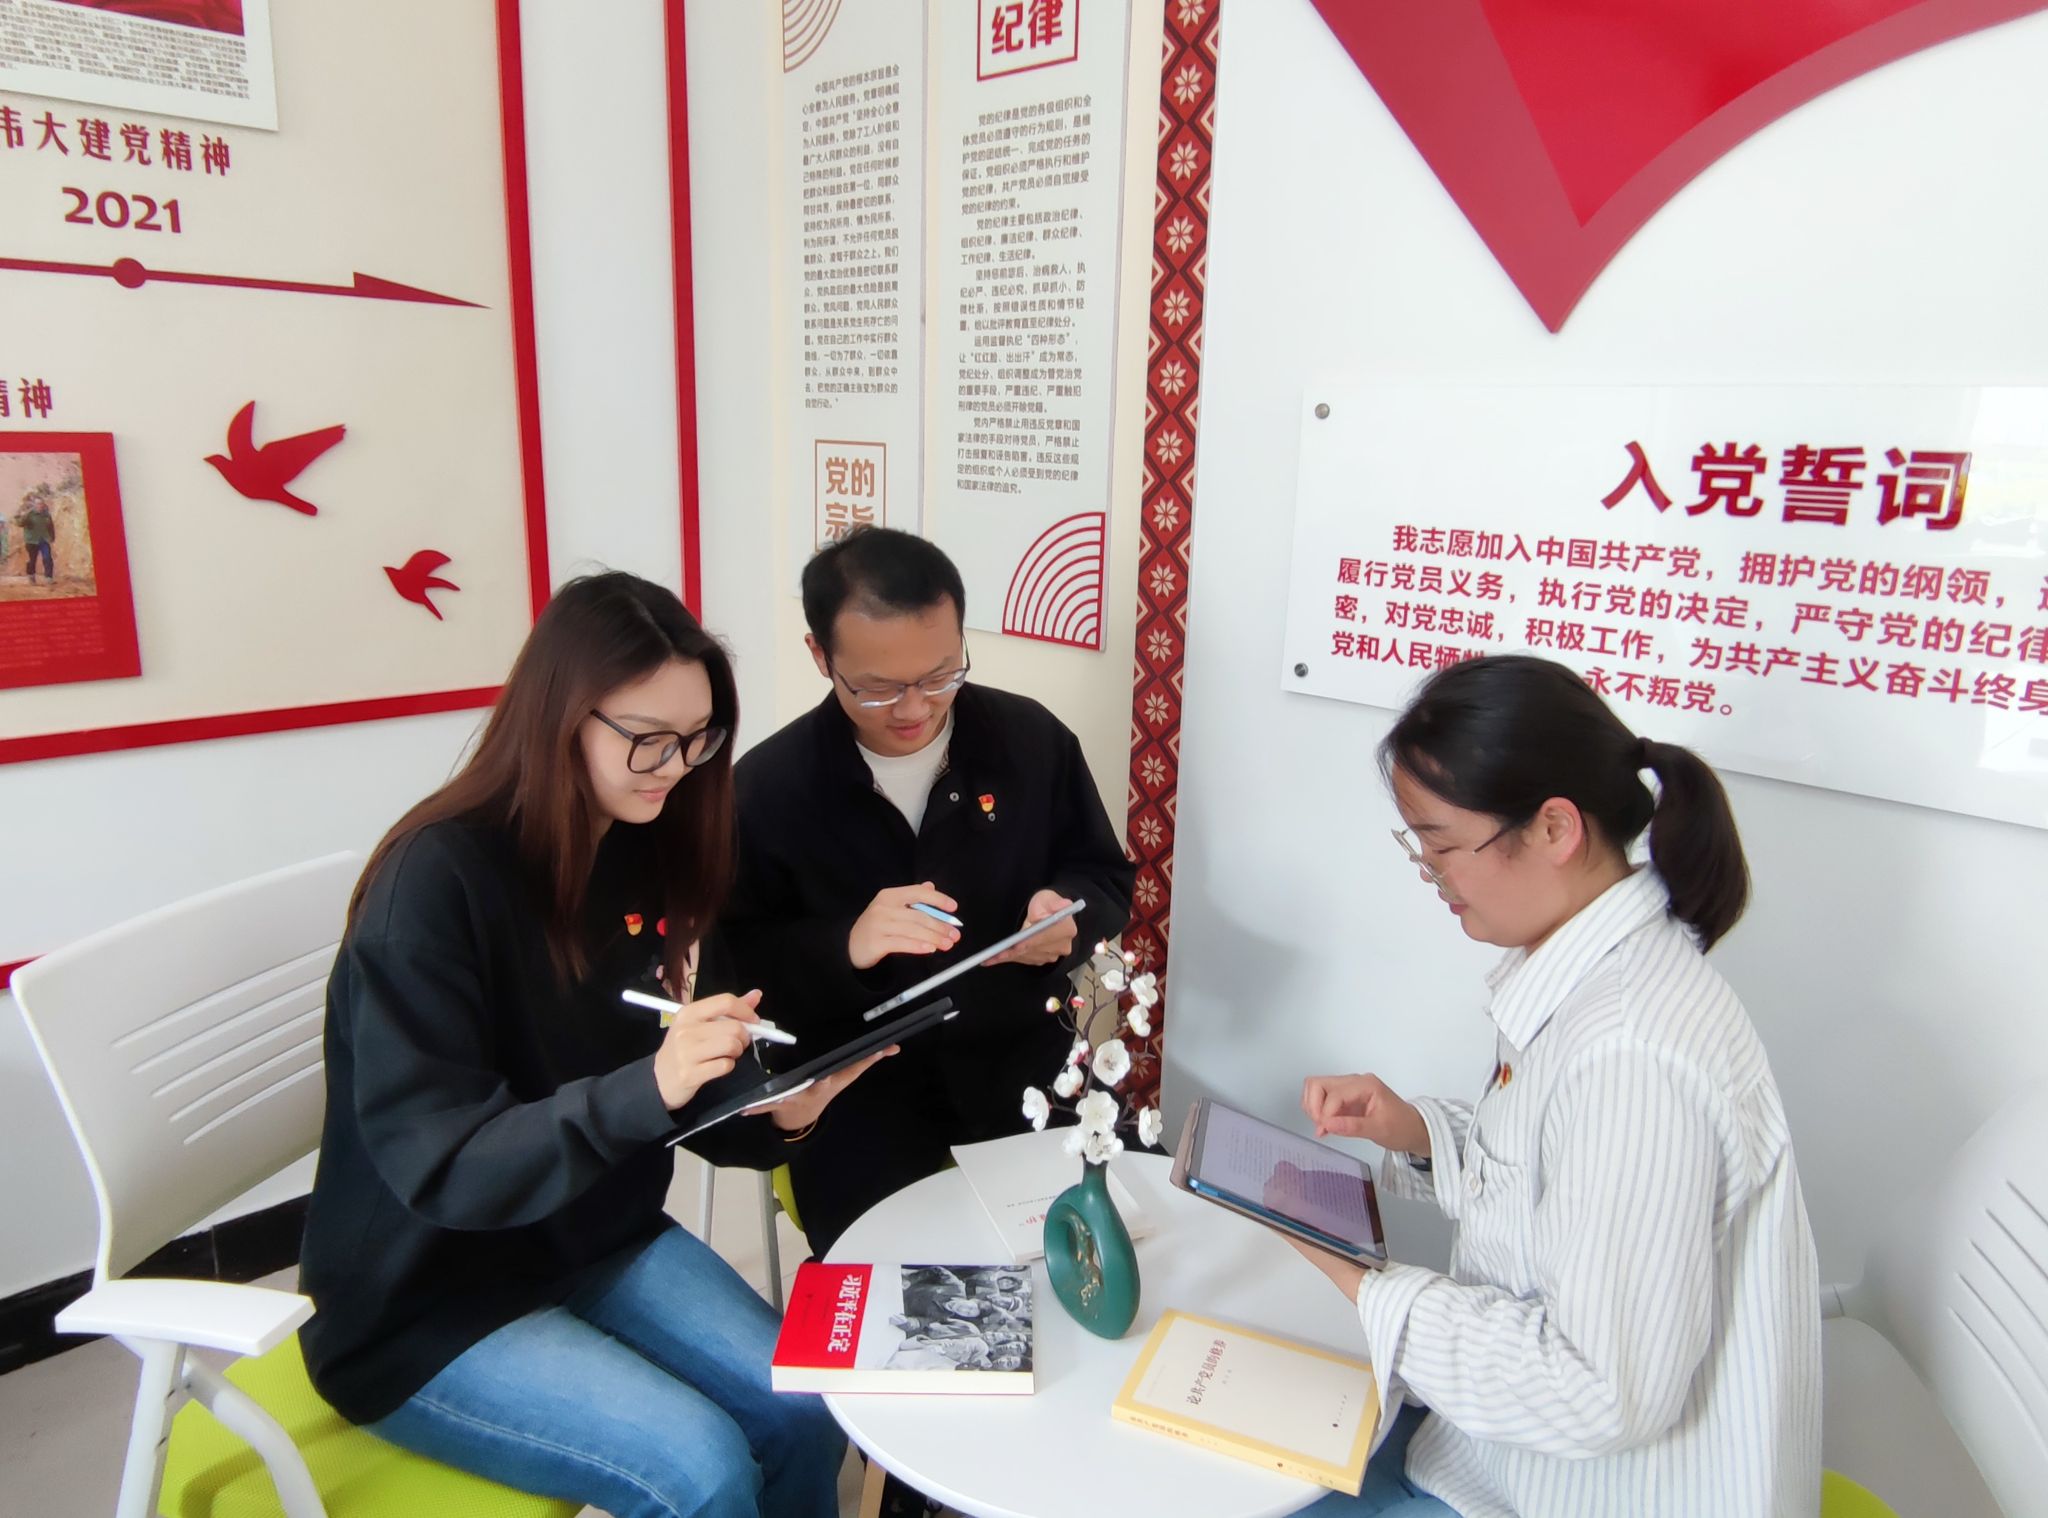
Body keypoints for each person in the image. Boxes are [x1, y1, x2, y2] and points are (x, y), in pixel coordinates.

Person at [300, 572, 890, 1518]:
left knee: (805, 1403)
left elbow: (671, 1094)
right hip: (429, 1302)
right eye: (648, 738)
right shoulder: (435, 885)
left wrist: (774, 1114)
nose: (676, 767)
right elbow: (446, 1165)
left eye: (698, 739)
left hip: (591, 1238)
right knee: (702, 1471)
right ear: (561, 716)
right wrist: (652, 1084)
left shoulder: (648, 849)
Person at [1292, 655, 1820, 1518]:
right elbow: (1559, 1192)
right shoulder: (1597, 977)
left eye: (1441, 844)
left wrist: (1366, 1285)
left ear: (1554, 828)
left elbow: (1599, 1392)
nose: (1429, 871)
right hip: (1496, 1458)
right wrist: (1419, 1133)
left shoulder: (1631, 1054)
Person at [720, 526, 1136, 1255]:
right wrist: (845, 946)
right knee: (901, 1292)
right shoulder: (765, 792)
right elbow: (735, 982)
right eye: (879, 688)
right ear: (820, 656)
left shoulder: (1029, 742)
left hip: (1023, 1070)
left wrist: (1067, 917)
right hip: (859, 1095)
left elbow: (1103, 875)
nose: (915, 708)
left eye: (942, 675)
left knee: (1114, 1246)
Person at [21, 494, 54, 583]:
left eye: (42, 504)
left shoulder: (46, 515)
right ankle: (31, 575)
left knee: (47, 557)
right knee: (32, 560)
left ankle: (49, 577)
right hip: (31, 541)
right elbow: (20, 523)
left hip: (44, 540)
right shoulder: (30, 514)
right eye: (38, 504)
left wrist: (52, 536)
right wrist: (25, 514)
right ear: (35, 505)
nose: (40, 505)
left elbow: (51, 526)